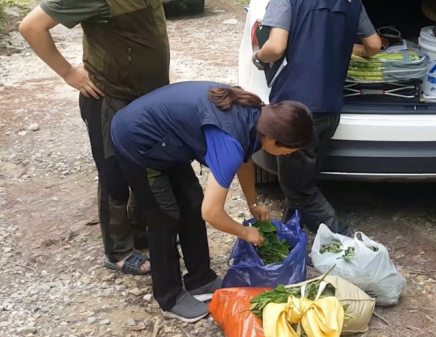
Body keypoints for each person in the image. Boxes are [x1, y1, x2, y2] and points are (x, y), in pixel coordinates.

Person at [17, 0, 175, 275]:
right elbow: (31, 26)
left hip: (147, 96)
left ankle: (139, 228)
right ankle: (118, 251)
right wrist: (67, 72)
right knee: (114, 173)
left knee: (145, 164)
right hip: (110, 98)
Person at [110, 81, 313, 322]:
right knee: (164, 217)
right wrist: (245, 232)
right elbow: (212, 213)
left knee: (192, 203)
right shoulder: (230, 139)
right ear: (273, 138)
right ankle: (170, 298)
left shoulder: (257, 116)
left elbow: (244, 160)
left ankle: (200, 280)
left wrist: (253, 203)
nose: (289, 154)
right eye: (289, 150)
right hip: (136, 138)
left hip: (169, 140)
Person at [252, 0, 382, 235]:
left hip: (295, 110)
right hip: (330, 109)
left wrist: (258, 56)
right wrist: (351, 48)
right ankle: (291, 232)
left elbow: (276, 48)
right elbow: (374, 46)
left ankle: (347, 241)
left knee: (299, 188)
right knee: (303, 179)